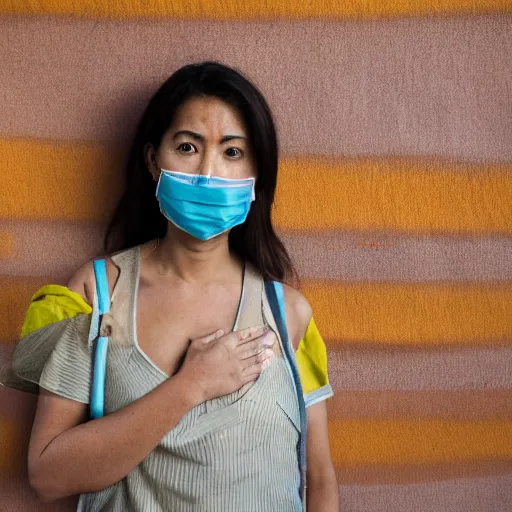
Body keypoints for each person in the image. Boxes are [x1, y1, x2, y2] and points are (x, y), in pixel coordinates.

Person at [1, 61, 339, 511]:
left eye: (232, 152)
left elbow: (318, 480)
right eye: (187, 146)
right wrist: (192, 385)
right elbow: (48, 475)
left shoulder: (289, 313)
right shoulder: (93, 295)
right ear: (152, 161)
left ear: (257, 173)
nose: (208, 172)